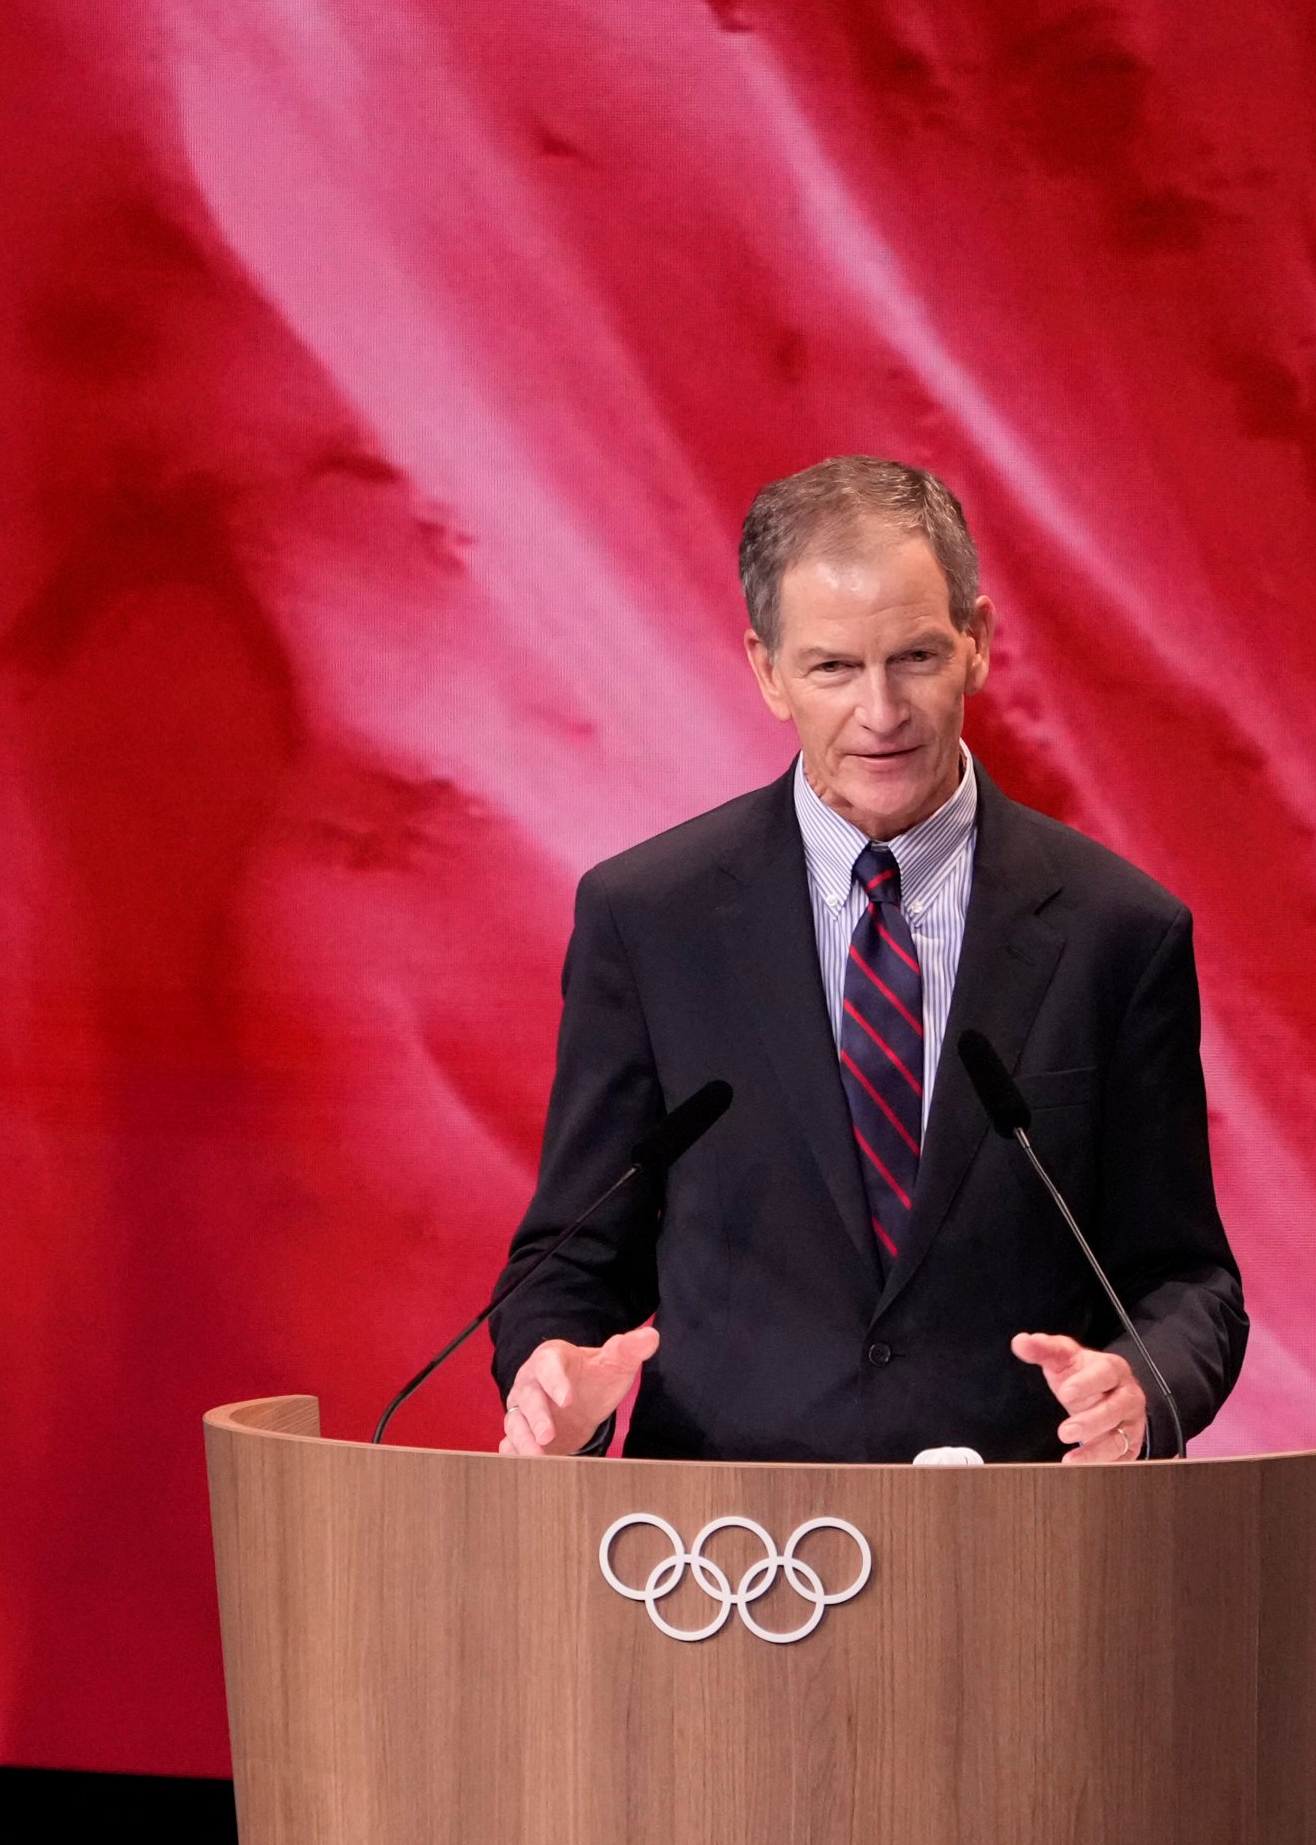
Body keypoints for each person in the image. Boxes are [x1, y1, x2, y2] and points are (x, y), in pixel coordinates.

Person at [492, 456, 1246, 1466]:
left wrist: (1141, 1389)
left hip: (1025, 1549)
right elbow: (573, 1255)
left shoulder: (1119, 931)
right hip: (721, 1552)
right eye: (834, 667)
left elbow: (1185, 1282)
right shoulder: (649, 921)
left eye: (917, 659)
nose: (881, 712)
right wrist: (552, 1371)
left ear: (977, 642)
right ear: (767, 670)